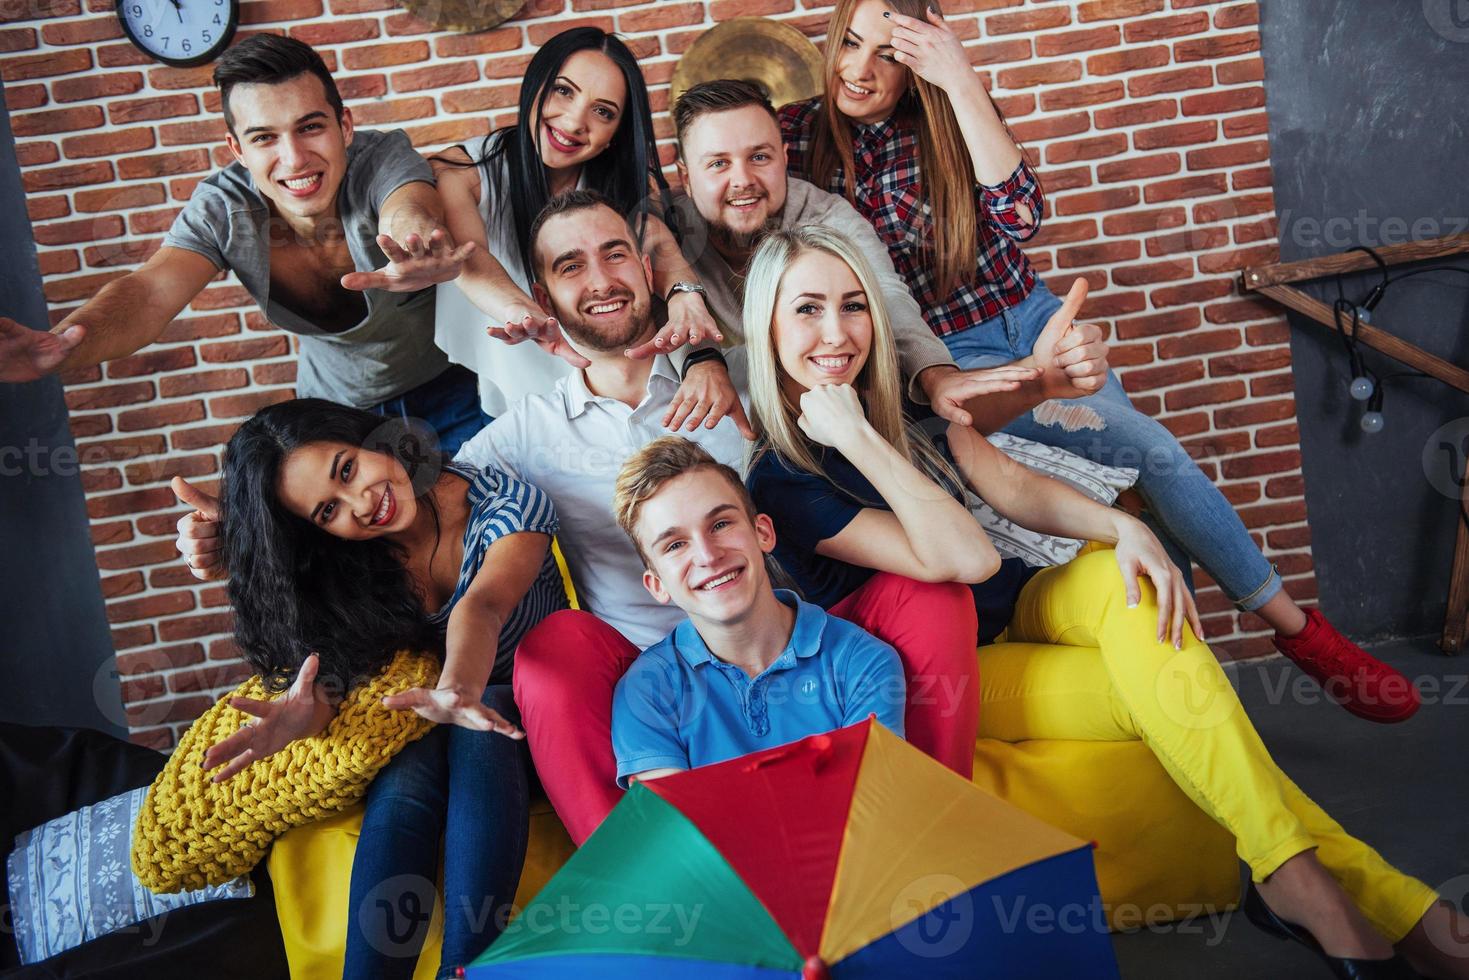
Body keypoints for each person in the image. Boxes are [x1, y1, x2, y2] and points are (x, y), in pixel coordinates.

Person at [740, 225, 1464, 980]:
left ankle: (1292, 877)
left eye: (853, 306)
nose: (836, 332)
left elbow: (1012, 489)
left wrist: (1121, 525)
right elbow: (963, 554)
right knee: (1181, 692)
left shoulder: (898, 405)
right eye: (808, 310)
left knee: (1136, 586)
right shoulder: (781, 477)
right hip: (959, 674)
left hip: (1026, 605)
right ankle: (1383, 905)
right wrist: (856, 441)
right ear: (766, 326)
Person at [776, 0, 1417, 723]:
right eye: (850, 44)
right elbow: (723, 205)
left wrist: (959, 80)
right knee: (1145, 449)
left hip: (1036, 319)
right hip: (954, 359)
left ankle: (1189, 695)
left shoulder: (951, 110)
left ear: (919, 59)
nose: (859, 70)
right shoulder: (795, 136)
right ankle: (1298, 634)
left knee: (1141, 487)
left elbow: (1019, 217)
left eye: (889, 55)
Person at [447, 190, 981, 844]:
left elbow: (856, 363)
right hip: (655, 677)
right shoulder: (523, 435)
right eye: (571, 266)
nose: (600, 280)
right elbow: (422, 505)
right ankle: (648, 886)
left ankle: (932, 834)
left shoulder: (744, 382)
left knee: (929, 596)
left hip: (786, 641)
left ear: (649, 270)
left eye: (615, 255)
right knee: (552, 649)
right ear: (543, 292)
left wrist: (705, 355)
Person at [192, 398, 566, 980]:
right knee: (407, 765)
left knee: (482, 716)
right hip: (429, 717)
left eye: (347, 470)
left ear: (373, 437)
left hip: (531, 712)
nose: (361, 503)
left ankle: (470, 967)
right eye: (327, 511)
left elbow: (483, 606)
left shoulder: (504, 503)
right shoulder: (354, 560)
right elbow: (340, 678)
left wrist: (459, 690)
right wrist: (303, 718)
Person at [0, 35, 486, 454]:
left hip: (455, 386)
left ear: (344, 126)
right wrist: (61, 347)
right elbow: (150, 291)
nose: (294, 158)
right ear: (237, 149)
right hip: (337, 417)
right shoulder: (223, 207)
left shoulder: (381, 159)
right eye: (264, 138)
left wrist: (417, 242)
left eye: (310, 127)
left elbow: (409, 204)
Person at [666, 78, 1112, 434]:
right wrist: (698, 355)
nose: (743, 180)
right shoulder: (662, 229)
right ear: (685, 176)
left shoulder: (827, 217)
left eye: (759, 156)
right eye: (718, 163)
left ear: (784, 157)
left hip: (854, 426)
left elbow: (888, 296)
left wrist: (937, 375)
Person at [432, 27, 742, 434]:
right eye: (564, 91)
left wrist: (685, 295)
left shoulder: (628, 182)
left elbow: (659, 246)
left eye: (603, 111)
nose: (575, 121)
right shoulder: (465, 169)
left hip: (600, 391)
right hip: (488, 386)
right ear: (535, 84)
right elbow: (470, 259)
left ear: (617, 131)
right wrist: (526, 314)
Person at [610, 436, 905, 787]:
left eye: (720, 524)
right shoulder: (646, 691)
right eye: (675, 545)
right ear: (657, 584)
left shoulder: (862, 661)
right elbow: (677, 834)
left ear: (762, 532)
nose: (708, 555)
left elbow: (871, 810)